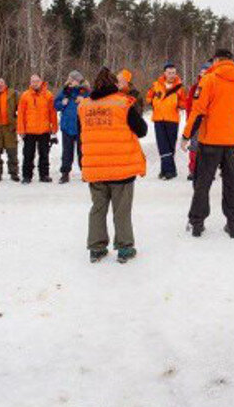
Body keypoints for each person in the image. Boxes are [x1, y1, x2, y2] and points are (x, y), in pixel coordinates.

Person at [181, 49, 234, 238]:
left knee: (202, 183)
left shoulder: (209, 79)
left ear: (216, 60)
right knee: (232, 184)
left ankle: (197, 223)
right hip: (233, 142)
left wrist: (186, 135)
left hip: (210, 142)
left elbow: (198, 111)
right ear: (231, 61)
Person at [80, 67, 148, 263]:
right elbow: (142, 130)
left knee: (97, 208)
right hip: (121, 167)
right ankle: (125, 248)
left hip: (96, 167)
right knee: (122, 210)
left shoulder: (84, 106)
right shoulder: (123, 104)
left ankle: (96, 247)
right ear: (114, 84)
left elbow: (82, 132)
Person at [146, 63, 186, 180]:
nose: (171, 75)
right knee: (162, 145)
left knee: (170, 146)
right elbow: (148, 97)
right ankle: (170, 171)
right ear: (164, 73)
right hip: (159, 119)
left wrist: (179, 104)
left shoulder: (180, 87)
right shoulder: (156, 85)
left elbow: (184, 102)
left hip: (173, 119)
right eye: (169, 73)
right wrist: (153, 101)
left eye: (173, 73)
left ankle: (165, 170)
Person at [17, 74, 58, 183]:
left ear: (41, 82)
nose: (35, 83)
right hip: (29, 131)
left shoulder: (48, 95)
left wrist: (54, 128)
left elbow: (52, 113)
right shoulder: (25, 96)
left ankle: (44, 175)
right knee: (28, 154)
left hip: (44, 130)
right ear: (30, 83)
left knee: (44, 154)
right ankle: (27, 176)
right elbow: (21, 114)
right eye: (33, 81)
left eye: (37, 81)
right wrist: (21, 130)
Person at [54, 70, 90, 183]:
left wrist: (84, 101)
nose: (70, 81)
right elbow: (56, 105)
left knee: (83, 151)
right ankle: (65, 174)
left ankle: (85, 173)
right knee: (67, 152)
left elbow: (94, 104)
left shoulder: (86, 92)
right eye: (70, 78)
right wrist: (62, 104)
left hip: (82, 126)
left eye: (73, 79)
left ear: (78, 80)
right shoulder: (64, 91)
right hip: (67, 125)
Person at [184, 63, 210, 180]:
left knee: (208, 148)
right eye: (202, 72)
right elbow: (189, 105)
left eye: (206, 72)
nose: (204, 75)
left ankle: (207, 171)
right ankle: (193, 170)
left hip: (209, 123)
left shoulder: (213, 87)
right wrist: (189, 120)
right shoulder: (195, 88)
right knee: (194, 147)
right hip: (195, 121)